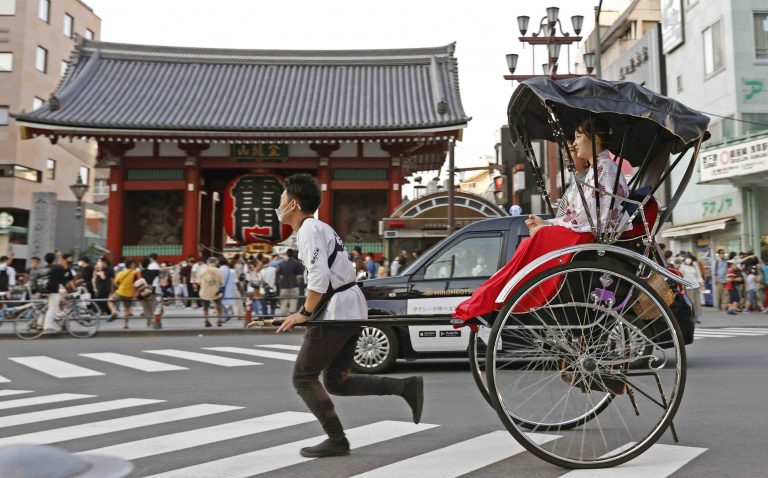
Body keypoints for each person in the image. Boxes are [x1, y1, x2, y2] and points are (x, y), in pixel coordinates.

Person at [275, 174, 423, 458]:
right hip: (349, 308)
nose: (279, 205)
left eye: (281, 200)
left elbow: (318, 277)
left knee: (303, 377)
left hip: (336, 312)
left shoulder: (308, 230)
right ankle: (405, 386)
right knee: (336, 381)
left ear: (293, 204)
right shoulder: (320, 228)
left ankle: (337, 439)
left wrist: (304, 313)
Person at [454, 118, 630, 320]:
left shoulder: (605, 171)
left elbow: (589, 218)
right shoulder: (595, 171)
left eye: (579, 136)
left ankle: (506, 296)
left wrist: (548, 225)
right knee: (531, 241)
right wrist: (548, 223)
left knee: (541, 237)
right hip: (582, 233)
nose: (574, 143)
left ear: (596, 139)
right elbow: (577, 215)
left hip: (588, 237)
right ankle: (498, 293)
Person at [38, 252, 74, 333]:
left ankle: (42, 324)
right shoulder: (58, 268)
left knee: (51, 308)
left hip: (46, 289)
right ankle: (47, 327)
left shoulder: (46, 267)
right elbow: (64, 279)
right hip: (54, 290)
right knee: (52, 309)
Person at [108, 259, 138, 328]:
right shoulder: (135, 273)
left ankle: (114, 312)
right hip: (130, 295)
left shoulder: (121, 273)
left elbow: (115, 283)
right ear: (132, 265)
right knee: (127, 309)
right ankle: (126, 324)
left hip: (120, 292)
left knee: (110, 300)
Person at [198, 257, 224, 327]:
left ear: (208, 262)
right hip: (215, 291)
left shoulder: (202, 270)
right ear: (216, 262)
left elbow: (199, 281)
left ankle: (206, 321)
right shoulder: (218, 270)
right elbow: (222, 282)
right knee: (218, 306)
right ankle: (219, 320)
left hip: (204, 291)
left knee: (205, 307)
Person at [678, 254, 704, 323]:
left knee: (697, 301)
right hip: (687, 286)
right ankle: (690, 316)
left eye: (689, 258)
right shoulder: (682, 266)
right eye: (687, 258)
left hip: (696, 285)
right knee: (690, 302)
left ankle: (697, 317)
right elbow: (680, 276)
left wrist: (701, 283)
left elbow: (698, 275)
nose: (688, 259)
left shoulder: (695, 265)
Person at [277, 249, 304, 315]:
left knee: (283, 303)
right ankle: (291, 318)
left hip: (284, 287)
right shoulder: (298, 264)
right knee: (293, 302)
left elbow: (280, 277)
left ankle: (283, 318)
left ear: (286, 254)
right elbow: (299, 277)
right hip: (294, 286)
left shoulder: (282, 264)